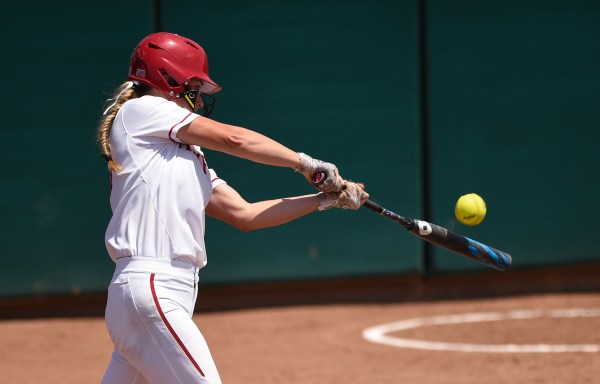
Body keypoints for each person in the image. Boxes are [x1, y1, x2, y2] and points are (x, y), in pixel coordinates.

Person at [96, 32, 368, 384]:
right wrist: (304, 163)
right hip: (152, 290)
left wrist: (323, 200)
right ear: (169, 78)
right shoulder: (142, 110)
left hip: (148, 299)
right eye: (194, 82)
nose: (198, 93)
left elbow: (245, 215)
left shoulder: (183, 157)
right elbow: (234, 138)